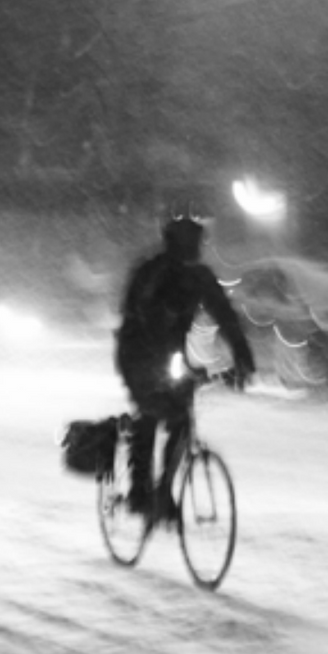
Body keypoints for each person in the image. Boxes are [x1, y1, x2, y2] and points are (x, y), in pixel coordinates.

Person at [115, 216, 255, 522]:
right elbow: (138, 316)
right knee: (150, 411)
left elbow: (225, 316)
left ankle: (164, 490)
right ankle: (140, 493)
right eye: (189, 243)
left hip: (168, 357)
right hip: (136, 354)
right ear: (174, 243)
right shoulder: (153, 272)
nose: (195, 249)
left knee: (181, 420)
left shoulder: (199, 277)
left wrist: (243, 357)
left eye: (197, 243)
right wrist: (158, 362)